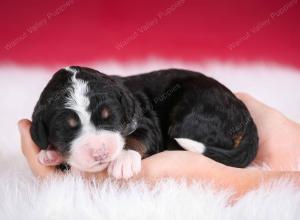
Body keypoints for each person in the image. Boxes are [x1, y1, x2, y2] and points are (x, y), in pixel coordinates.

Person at [18, 93, 300, 201]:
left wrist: (133, 149)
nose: (99, 149)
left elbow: (142, 129)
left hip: (190, 99)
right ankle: (280, 140)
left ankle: (242, 175)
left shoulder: (128, 107)